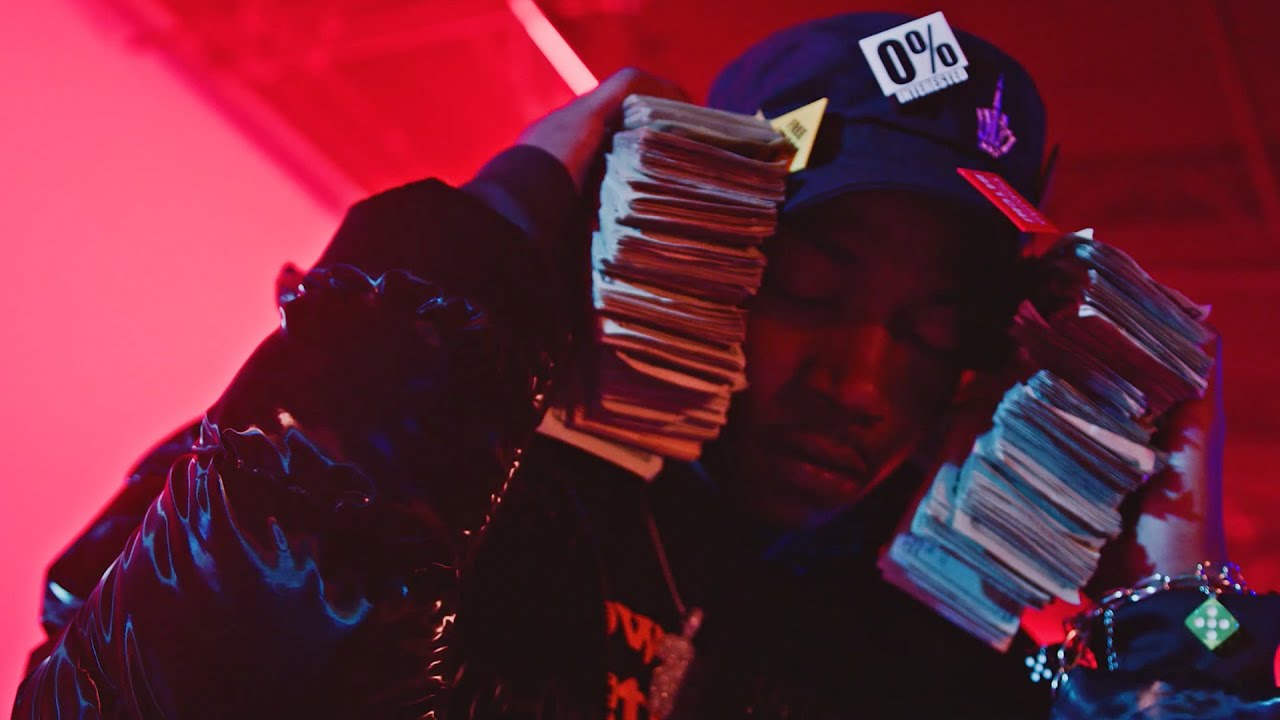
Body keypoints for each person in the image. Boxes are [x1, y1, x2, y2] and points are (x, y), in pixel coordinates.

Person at [12, 12, 1277, 720]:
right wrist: (485, 238)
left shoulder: (924, 655)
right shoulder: (456, 496)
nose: (855, 383)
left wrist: (1182, 574)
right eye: (808, 291)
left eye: (927, 331)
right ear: (684, 242)